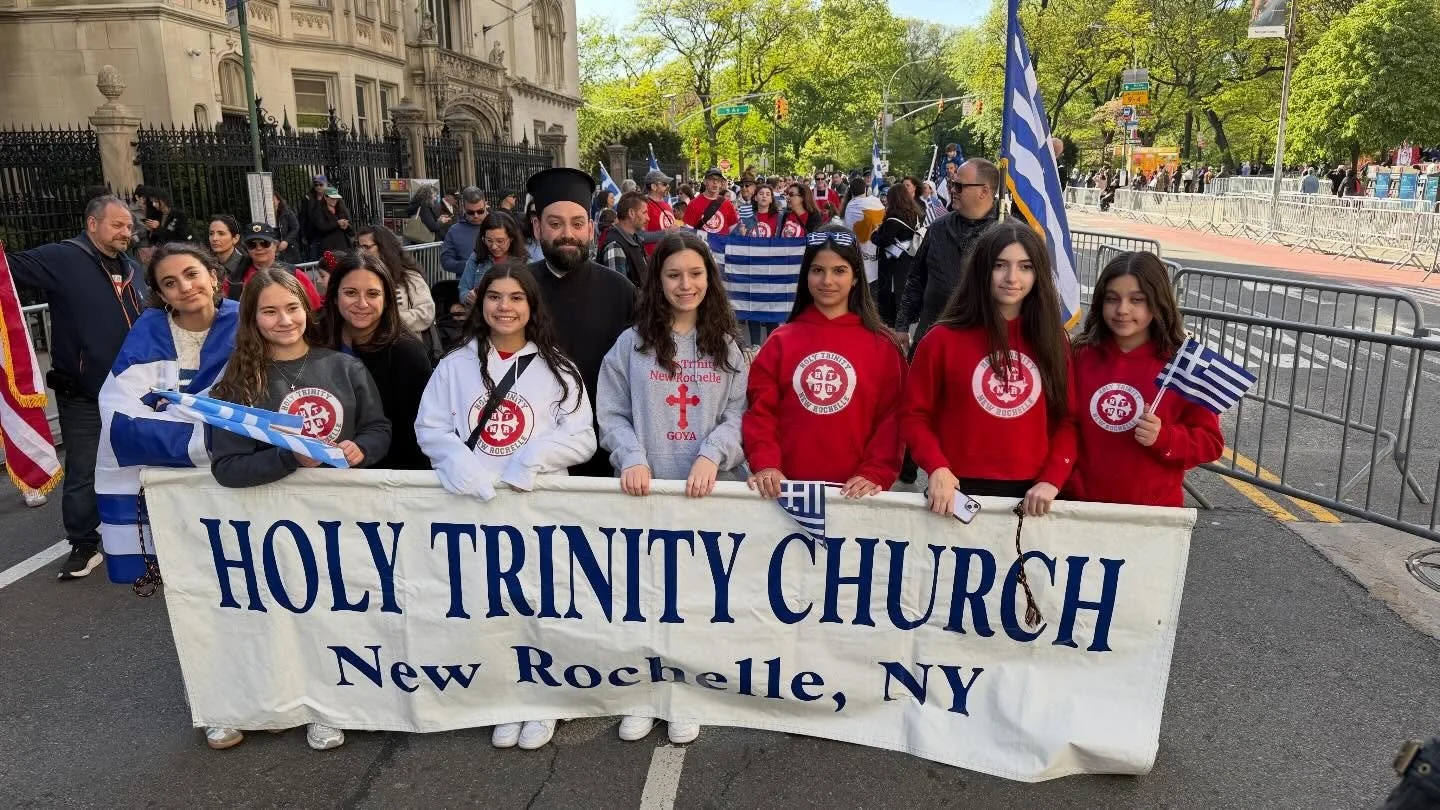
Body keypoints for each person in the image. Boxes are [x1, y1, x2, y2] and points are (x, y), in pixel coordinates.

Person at [415, 261, 594, 751]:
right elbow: (430, 428)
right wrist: (462, 466)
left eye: (517, 298)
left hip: (537, 510)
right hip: (477, 509)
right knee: (487, 608)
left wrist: (532, 459)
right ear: (481, 301)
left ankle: (544, 702)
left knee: (543, 607)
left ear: (531, 306)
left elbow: (582, 438)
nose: (505, 307)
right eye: (495, 296)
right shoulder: (454, 366)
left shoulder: (558, 369)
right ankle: (503, 697)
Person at [207, 268, 389, 751]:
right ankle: (246, 702)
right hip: (269, 526)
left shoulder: (344, 368)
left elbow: (379, 429)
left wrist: (360, 449)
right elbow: (226, 468)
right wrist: (289, 456)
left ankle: (324, 705)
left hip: (336, 521)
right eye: (269, 310)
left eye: (291, 308)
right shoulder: (236, 383)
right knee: (268, 620)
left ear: (307, 311)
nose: (284, 319)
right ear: (251, 317)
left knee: (330, 618)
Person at [595, 231, 745, 746]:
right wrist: (631, 455)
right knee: (647, 599)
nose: (686, 285)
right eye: (674, 275)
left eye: (696, 274)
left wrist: (712, 452)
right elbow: (611, 411)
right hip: (648, 494)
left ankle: (689, 694)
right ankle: (645, 693)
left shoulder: (726, 346)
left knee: (699, 602)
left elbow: (739, 415)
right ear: (657, 282)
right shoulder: (632, 345)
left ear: (710, 278)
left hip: (707, 497)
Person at [93, 244, 239, 744]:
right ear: (159, 294)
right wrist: (207, 437)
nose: (185, 287)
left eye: (192, 274)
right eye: (171, 282)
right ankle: (218, 700)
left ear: (214, 276)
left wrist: (218, 434)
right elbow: (120, 415)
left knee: (259, 590)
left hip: (243, 480)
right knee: (197, 596)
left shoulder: (249, 321)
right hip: (179, 488)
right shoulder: (148, 333)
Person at [6, 195, 147, 579]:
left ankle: (143, 535)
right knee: (84, 470)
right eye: (117, 225)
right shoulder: (63, 258)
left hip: (136, 393)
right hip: (83, 395)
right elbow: (8, 270)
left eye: (129, 227)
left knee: (143, 465)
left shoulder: (134, 269)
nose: (125, 232)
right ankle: (83, 545)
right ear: (92, 224)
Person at [900, 221, 1077, 518]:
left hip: (1033, 494)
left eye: (1025, 267)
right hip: (954, 491)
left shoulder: (1052, 339)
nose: (1012, 278)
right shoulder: (942, 339)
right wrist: (936, 466)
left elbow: (1069, 420)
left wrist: (1053, 477)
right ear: (982, 269)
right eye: (1000, 265)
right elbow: (913, 414)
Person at [742, 226, 905, 499]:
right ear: (806, 274)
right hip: (784, 491)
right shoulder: (780, 341)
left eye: (839, 271)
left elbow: (893, 418)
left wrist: (875, 471)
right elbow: (760, 412)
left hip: (856, 495)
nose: (827, 280)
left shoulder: (883, 346)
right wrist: (766, 463)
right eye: (817, 270)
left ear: (855, 278)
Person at [1068, 252, 1222, 506]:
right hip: (1079, 506)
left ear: (1157, 302)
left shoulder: (1183, 364)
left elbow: (1210, 443)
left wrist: (1164, 437)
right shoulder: (1080, 355)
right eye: (1112, 299)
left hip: (1151, 515)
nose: (1122, 310)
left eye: (1136, 300)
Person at [527, 167, 639, 478]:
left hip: (605, 442)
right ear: (537, 227)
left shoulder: (621, 291)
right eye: (555, 224)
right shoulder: (515, 291)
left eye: (577, 224)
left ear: (590, 229)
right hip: (531, 447)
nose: (567, 234)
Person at [318, 251, 433, 470]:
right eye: (350, 292)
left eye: (372, 294)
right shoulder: (315, 339)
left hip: (384, 476)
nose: (362, 303)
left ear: (387, 298)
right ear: (334, 295)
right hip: (320, 472)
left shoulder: (406, 353)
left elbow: (413, 432)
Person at [897, 159, 1000, 351]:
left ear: (984, 191)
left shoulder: (1006, 234)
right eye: (952, 184)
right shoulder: (938, 228)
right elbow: (916, 278)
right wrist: (902, 325)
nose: (952, 190)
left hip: (980, 347)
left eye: (959, 186)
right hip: (931, 338)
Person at [356, 224, 436, 333]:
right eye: (360, 248)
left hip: (404, 343)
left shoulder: (410, 277)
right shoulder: (359, 277)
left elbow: (426, 313)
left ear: (384, 247)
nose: (362, 252)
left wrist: (387, 321)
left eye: (367, 247)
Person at [226, 223, 323, 310]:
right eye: (252, 244)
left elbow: (315, 309)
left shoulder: (295, 274)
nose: (259, 248)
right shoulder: (235, 279)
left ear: (275, 245)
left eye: (265, 243)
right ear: (246, 248)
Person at [870, 183, 924, 327]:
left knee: (891, 294)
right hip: (908, 259)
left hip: (891, 263)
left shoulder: (893, 219)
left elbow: (883, 241)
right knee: (905, 289)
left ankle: (894, 323)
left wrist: (874, 234)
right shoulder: (916, 214)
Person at [459, 212, 530, 305]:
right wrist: (468, 297)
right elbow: (463, 289)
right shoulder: (476, 257)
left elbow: (532, 297)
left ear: (511, 238)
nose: (494, 246)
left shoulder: (525, 262)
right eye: (489, 241)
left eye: (500, 241)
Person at [842, 178, 885, 289]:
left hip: (860, 248)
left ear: (851, 192)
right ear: (866, 189)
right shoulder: (876, 202)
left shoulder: (851, 206)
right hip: (876, 245)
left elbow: (848, 229)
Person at [598, 191, 649, 285]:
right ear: (631, 213)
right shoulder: (615, 246)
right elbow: (617, 292)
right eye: (644, 213)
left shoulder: (635, 239)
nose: (648, 218)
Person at [442, 187, 488, 277]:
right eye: (471, 212)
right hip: (466, 286)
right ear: (464, 208)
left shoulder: (498, 224)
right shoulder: (454, 231)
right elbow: (446, 262)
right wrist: (470, 265)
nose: (476, 215)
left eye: (480, 211)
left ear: (485, 205)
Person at [683, 168, 740, 235]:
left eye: (718, 180)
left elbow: (734, 232)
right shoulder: (693, 204)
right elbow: (688, 233)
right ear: (705, 181)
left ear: (721, 183)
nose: (715, 182)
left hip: (722, 244)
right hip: (702, 244)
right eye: (711, 179)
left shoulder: (727, 204)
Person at [641, 169, 677, 257]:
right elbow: (640, 236)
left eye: (668, 184)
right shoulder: (644, 205)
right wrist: (665, 233)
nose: (668, 186)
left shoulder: (667, 205)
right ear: (654, 186)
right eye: (664, 184)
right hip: (653, 260)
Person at [309, 186, 352, 253]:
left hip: (343, 247)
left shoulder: (341, 209)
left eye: (336, 198)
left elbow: (352, 231)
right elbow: (322, 227)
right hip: (328, 247)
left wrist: (346, 226)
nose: (335, 200)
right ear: (325, 197)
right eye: (332, 198)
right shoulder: (318, 211)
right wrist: (337, 223)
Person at [297, 175, 330, 261]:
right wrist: (303, 235)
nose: (318, 187)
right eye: (316, 184)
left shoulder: (331, 196)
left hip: (328, 234)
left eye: (321, 184)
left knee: (328, 260)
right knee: (315, 260)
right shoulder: (308, 198)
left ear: (326, 184)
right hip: (313, 235)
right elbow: (303, 217)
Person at [206, 214, 244, 280]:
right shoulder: (206, 264)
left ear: (235, 238)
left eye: (221, 233)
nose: (214, 238)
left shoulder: (246, 265)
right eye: (211, 233)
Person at [274, 193, 301, 263]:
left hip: (289, 248)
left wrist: (286, 241)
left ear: (278, 200)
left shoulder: (286, 212)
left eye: (273, 199)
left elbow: (295, 227)